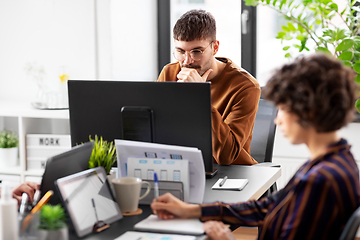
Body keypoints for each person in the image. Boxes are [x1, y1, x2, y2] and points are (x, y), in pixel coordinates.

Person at [151, 53, 360, 240]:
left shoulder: (319, 181)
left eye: (283, 109)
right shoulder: (334, 161)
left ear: (309, 112)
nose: (277, 120)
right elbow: (268, 206)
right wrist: (192, 210)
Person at [157, 9, 261, 165]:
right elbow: (156, 131)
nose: (187, 61)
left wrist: (200, 98)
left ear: (215, 47)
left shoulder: (246, 86)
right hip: (181, 165)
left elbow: (226, 156)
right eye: (180, 51)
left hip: (229, 174)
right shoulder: (169, 72)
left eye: (196, 51)